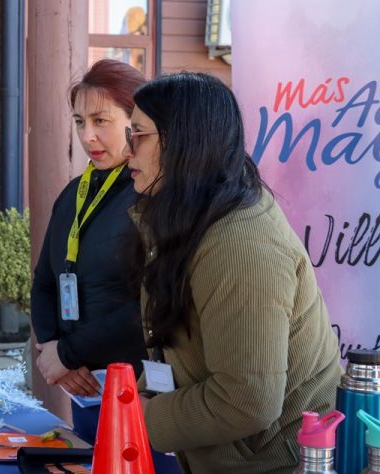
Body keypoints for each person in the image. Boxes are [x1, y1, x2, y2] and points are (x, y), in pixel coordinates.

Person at [126, 72, 342, 473]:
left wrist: (139, 418)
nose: (127, 151)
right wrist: (138, 399)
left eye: (137, 135)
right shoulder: (192, 219)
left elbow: (248, 401)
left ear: (181, 142)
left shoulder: (241, 244)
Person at [31, 59, 149, 443]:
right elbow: (45, 281)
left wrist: (68, 353)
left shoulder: (151, 194)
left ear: (138, 121)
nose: (88, 136)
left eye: (101, 121)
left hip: (139, 389)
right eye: (80, 122)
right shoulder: (73, 193)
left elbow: (149, 307)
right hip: (81, 387)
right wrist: (53, 349)